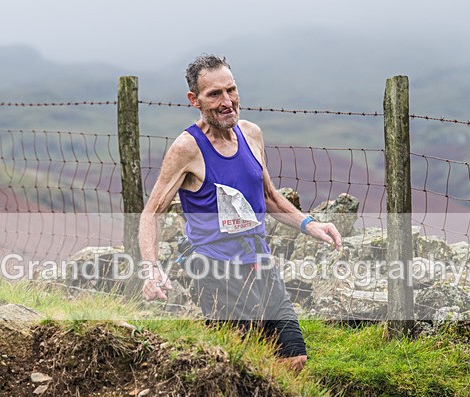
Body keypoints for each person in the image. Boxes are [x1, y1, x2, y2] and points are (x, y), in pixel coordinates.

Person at [139, 54, 342, 372]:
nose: (226, 101)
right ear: (195, 100)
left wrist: (309, 224)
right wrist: (151, 268)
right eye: (214, 94)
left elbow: (269, 197)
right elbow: (152, 211)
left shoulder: (251, 134)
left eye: (231, 90)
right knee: (240, 365)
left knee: (294, 358)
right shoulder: (187, 148)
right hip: (215, 272)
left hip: (260, 265)